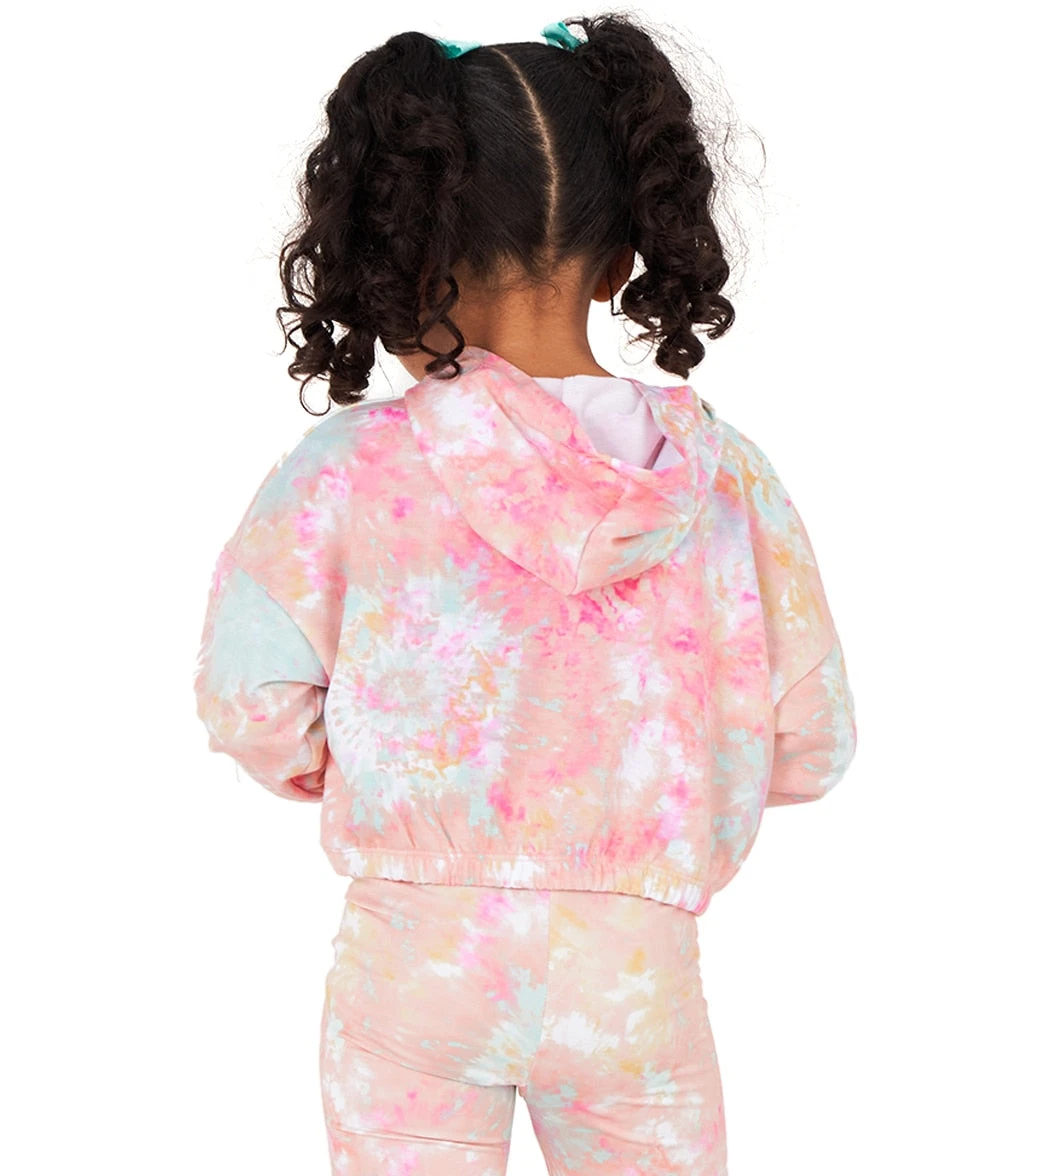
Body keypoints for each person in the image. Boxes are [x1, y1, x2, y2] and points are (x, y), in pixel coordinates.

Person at [192, 14, 857, 1175]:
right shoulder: (724, 478)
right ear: (622, 257)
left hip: (416, 964)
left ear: (408, 247)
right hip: (634, 973)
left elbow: (250, 702)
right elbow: (814, 740)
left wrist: (382, 767)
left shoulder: (352, 468)